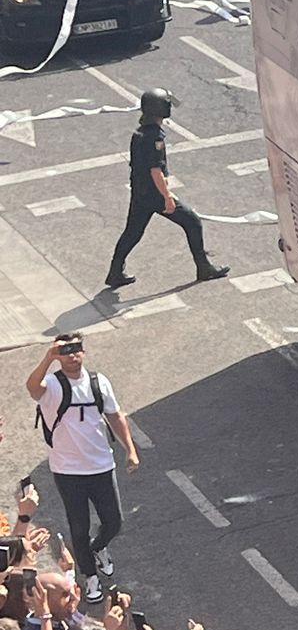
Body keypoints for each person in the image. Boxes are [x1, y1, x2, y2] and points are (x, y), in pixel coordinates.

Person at [26, 334, 137, 603]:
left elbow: (115, 416)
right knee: (79, 527)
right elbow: (32, 387)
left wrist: (130, 449)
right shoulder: (52, 385)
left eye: (76, 349)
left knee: (114, 522)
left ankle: (98, 548)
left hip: (101, 466)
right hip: (68, 471)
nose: (72, 355)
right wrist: (48, 357)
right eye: (65, 350)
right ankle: (90, 576)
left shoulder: (99, 382)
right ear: (58, 355)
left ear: (84, 352)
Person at [105, 90, 230, 291]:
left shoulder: (139, 133)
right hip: (154, 193)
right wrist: (167, 197)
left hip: (140, 191)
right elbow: (155, 170)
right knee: (192, 222)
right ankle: (204, 267)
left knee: (133, 232)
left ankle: (115, 271)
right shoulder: (155, 136)